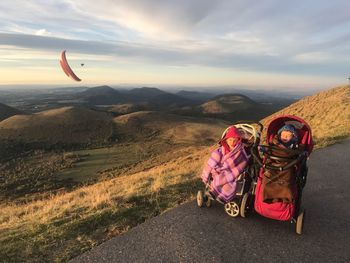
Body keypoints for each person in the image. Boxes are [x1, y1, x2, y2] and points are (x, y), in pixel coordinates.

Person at [201, 126, 249, 203]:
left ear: (238, 140)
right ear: (226, 140)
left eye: (235, 140)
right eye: (230, 140)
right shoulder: (222, 149)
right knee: (217, 175)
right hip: (220, 168)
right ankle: (214, 192)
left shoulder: (240, 150)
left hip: (232, 170)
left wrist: (231, 169)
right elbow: (214, 158)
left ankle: (222, 196)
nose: (232, 142)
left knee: (230, 180)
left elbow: (243, 160)